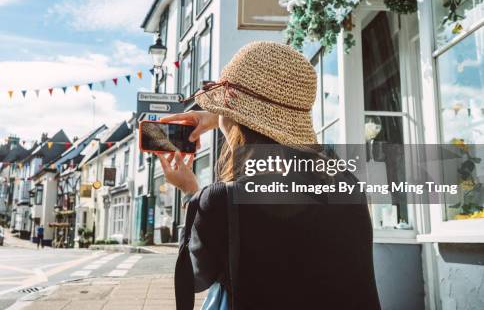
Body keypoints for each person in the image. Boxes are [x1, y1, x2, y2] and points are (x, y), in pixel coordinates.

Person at [156, 42, 380, 310]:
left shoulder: (221, 200)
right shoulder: (347, 185)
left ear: (236, 118)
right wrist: (227, 116)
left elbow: (194, 277)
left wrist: (191, 192)